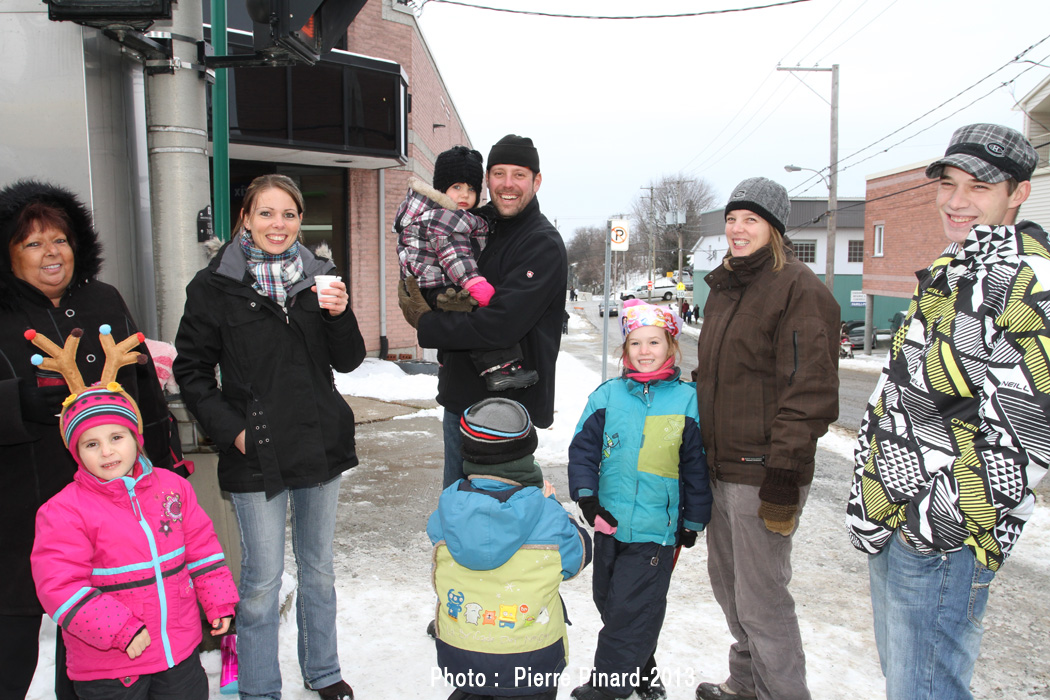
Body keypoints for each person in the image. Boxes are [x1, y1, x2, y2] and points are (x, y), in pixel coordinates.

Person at [845, 124, 1049, 700]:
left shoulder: (1030, 284)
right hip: (896, 516)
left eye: (978, 188)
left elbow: (1029, 437)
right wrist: (879, 495)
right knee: (907, 685)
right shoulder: (954, 267)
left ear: (1019, 194)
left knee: (926, 689)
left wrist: (932, 527)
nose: (957, 201)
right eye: (948, 184)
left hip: (946, 537)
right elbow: (903, 395)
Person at [173, 174, 366, 700]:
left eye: (288, 215)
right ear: (246, 219)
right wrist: (231, 432)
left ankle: (323, 671)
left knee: (319, 571)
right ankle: (259, 686)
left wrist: (341, 312)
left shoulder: (321, 276)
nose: (277, 225)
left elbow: (347, 360)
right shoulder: (214, 286)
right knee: (260, 581)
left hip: (318, 443)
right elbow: (191, 372)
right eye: (266, 213)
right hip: (254, 447)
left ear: (300, 220)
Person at [0, 179, 183, 700]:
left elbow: (144, 387)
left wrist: (165, 464)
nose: (51, 253)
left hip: (105, 508)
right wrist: (16, 404)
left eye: (59, 239)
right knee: (10, 649)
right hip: (16, 509)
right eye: (32, 243)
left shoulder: (103, 299)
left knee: (91, 640)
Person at [30, 327, 238, 699]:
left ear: (136, 437)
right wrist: (120, 630)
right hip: (111, 664)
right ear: (75, 451)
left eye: (116, 437)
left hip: (178, 653)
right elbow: (60, 588)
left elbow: (201, 548)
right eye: (91, 443)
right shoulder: (63, 511)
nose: (107, 452)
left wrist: (217, 598)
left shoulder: (172, 488)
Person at [694, 177, 839, 700]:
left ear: (774, 229)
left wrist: (783, 474)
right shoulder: (728, 287)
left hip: (763, 474)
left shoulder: (799, 288)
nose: (737, 229)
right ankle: (747, 683)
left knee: (763, 601)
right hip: (720, 466)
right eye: (732, 218)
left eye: (750, 220)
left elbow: (812, 389)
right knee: (731, 593)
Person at [398, 134, 568, 488]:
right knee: (459, 516)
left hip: (504, 410)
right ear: (487, 180)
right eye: (499, 173)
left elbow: (500, 325)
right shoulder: (476, 224)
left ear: (536, 181)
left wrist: (428, 323)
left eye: (519, 174)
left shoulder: (541, 242)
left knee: (497, 520)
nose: (508, 184)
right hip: (460, 398)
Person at [568, 300, 712, 700]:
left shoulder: (687, 400)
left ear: (671, 347)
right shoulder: (607, 396)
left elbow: (696, 466)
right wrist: (587, 499)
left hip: (656, 530)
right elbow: (583, 451)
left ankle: (607, 687)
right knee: (611, 603)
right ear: (624, 349)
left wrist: (694, 520)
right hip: (610, 524)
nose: (644, 351)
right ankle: (641, 670)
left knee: (630, 609)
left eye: (654, 342)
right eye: (635, 343)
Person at [427, 397, 591, 700]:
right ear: (525, 454)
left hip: (463, 656)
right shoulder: (547, 515)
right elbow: (576, 560)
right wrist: (555, 508)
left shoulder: (444, 515)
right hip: (532, 660)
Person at [395, 145, 537, 391]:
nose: (465, 195)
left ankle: (455, 364)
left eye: (471, 189)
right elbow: (454, 254)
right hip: (439, 284)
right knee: (475, 314)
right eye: (457, 187)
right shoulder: (446, 216)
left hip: (430, 284)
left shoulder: (433, 212)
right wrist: (474, 283)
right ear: (441, 189)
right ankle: (500, 369)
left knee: (462, 319)